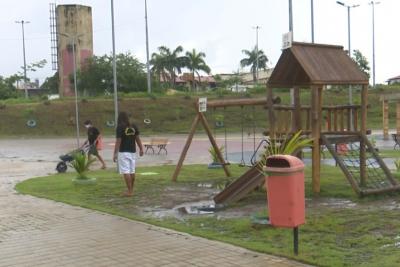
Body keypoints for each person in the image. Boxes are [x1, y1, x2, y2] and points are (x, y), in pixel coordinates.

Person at [113, 112, 144, 197]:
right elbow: (137, 138)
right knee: (132, 171)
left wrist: (115, 153)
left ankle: (129, 192)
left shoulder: (120, 127)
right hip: (132, 152)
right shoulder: (133, 126)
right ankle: (131, 190)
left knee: (126, 171)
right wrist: (141, 148)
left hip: (123, 152)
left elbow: (118, 140)